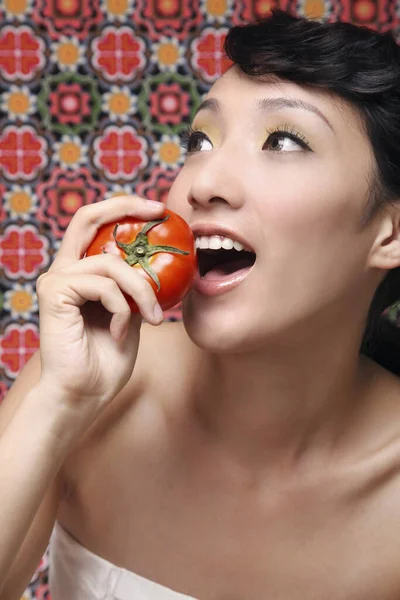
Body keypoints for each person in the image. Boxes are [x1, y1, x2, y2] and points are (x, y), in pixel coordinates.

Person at [2, 8, 400, 599]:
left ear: (389, 234)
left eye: (283, 141)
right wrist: (59, 403)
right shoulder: (94, 394)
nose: (202, 181)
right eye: (199, 140)